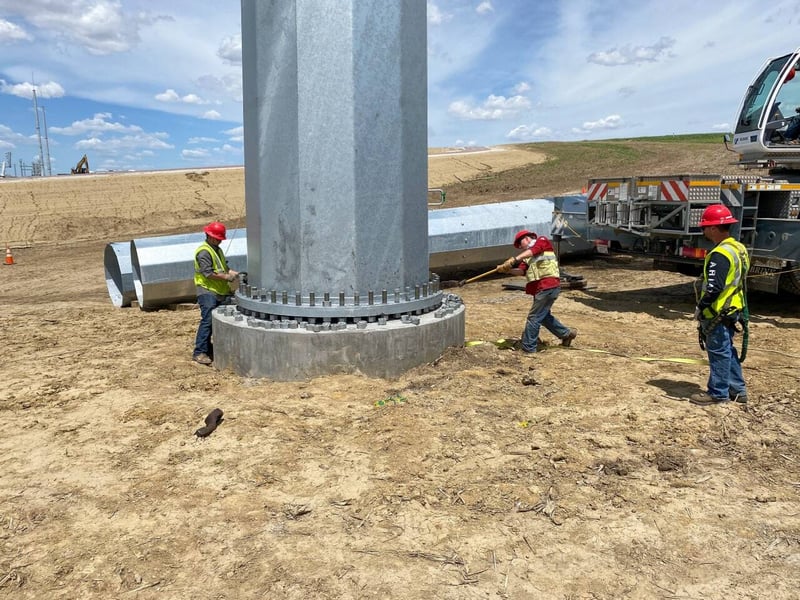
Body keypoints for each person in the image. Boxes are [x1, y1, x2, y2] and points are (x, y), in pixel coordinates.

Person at [689, 205, 750, 406]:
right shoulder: (738, 248)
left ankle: (717, 392)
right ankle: (737, 390)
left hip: (719, 310)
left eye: (705, 227)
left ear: (714, 228)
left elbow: (714, 287)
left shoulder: (720, 254)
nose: (703, 231)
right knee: (726, 349)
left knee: (719, 352)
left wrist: (701, 306)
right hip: (734, 308)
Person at [496, 229, 577, 354]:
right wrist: (507, 270)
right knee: (543, 317)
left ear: (527, 238)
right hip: (541, 289)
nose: (520, 247)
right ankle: (566, 334)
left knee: (534, 318)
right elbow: (521, 271)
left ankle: (528, 348)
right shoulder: (527, 257)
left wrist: (514, 259)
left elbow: (534, 250)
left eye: (520, 243)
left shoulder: (542, 241)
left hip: (548, 286)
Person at [193, 221, 238, 365]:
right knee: (207, 321)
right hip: (207, 290)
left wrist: (234, 274)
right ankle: (199, 352)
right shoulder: (204, 252)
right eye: (218, 238)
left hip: (218, 290)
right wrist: (226, 277)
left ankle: (208, 348)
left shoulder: (216, 249)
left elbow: (223, 267)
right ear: (210, 236)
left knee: (214, 321)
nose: (220, 241)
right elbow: (208, 273)